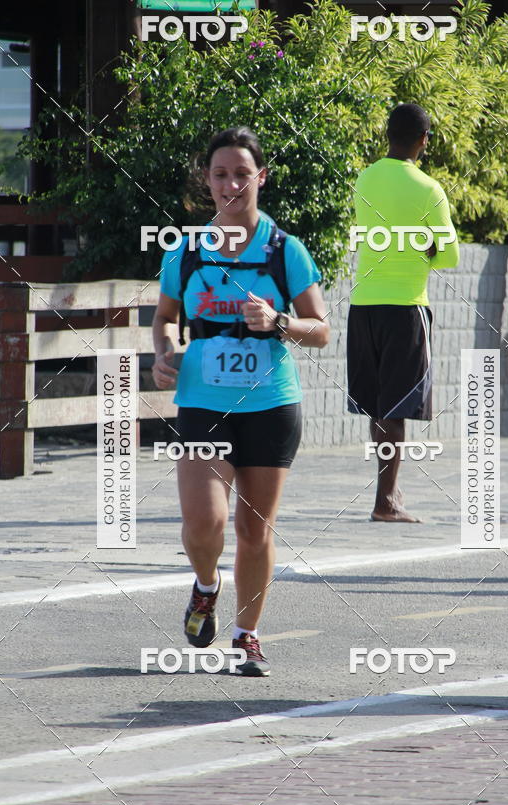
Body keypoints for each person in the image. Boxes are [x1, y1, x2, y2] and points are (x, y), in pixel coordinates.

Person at [152, 127, 329, 676]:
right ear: (207, 180)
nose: (231, 185)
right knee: (204, 523)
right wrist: (164, 353)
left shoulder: (284, 250)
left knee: (254, 532)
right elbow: (165, 318)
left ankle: (246, 635)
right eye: (221, 174)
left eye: (242, 174)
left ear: (261, 178)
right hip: (204, 403)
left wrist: (279, 321)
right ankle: (206, 586)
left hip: (271, 406)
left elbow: (322, 330)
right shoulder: (186, 251)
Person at [348, 103, 459, 522]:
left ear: (387, 135)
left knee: (379, 407)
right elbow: (448, 255)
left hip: (364, 306)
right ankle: (386, 502)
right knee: (396, 409)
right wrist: (424, 245)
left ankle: (387, 492)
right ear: (424, 140)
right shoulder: (430, 189)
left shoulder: (365, 179)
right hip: (406, 307)